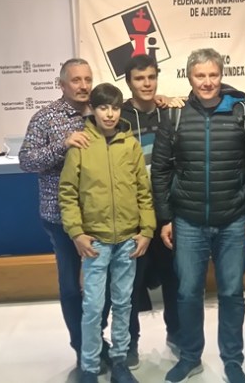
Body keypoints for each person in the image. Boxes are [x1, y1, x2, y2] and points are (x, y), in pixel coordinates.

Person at [151, 48, 245, 383]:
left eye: (213, 75)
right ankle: (190, 357)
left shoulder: (243, 113)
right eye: (200, 75)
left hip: (233, 220)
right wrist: (165, 219)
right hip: (188, 221)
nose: (207, 82)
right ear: (189, 77)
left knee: (232, 294)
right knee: (188, 293)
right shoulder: (174, 116)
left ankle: (232, 361)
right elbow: (160, 171)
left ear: (222, 75)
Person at [59, 83, 156, 383]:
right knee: (92, 306)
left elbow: (144, 191)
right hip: (95, 242)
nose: (110, 114)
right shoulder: (81, 145)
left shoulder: (130, 145)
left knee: (124, 304)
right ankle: (89, 366)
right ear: (93, 109)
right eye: (103, 108)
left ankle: (120, 362)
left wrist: (147, 230)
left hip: (128, 240)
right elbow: (68, 193)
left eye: (114, 108)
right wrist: (76, 232)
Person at [19, 58, 98, 367]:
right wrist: (62, 145)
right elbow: (26, 161)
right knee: (71, 286)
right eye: (76, 80)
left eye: (87, 79)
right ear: (62, 84)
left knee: (100, 287)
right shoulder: (45, 118)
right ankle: (82, 350)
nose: (83, 86)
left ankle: (99, 343)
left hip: (98, 216)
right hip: (60, 217)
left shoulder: (100, 112)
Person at [119, 55, 181, 368]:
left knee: (174, 279)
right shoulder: (118, 117)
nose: (146, 84)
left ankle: (177, 336)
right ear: (129, 82)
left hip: (168, 211)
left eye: (151, 77)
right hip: (133, 216)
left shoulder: (169, 112)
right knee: (131, 284)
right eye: (139, 78)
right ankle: (130, 344)